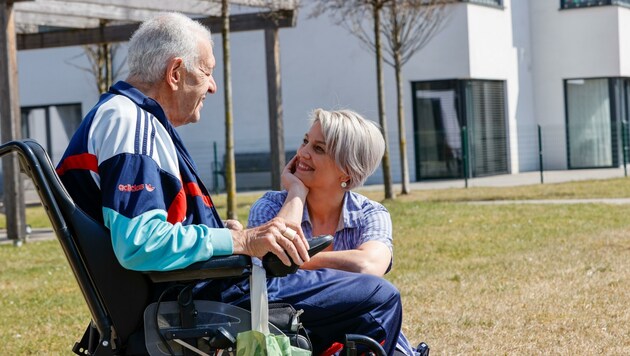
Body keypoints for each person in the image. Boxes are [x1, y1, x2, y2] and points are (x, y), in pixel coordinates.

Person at [56, 12, 405, 355]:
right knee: (379, 297)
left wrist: (220, 236)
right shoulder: (134, 125)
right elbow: (139, 243)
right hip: (202, 292)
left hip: (193, 284)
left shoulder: (125, 119)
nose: (212, 86)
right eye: (207, 72)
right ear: (175, 73)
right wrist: (241, 240)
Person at [248, 109, 425, 356]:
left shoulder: (370, 213)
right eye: (305, 141)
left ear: (347, 171)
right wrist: (296, 193)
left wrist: (296, 260)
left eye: (318, 149)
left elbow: (368, 267)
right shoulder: (271, 207)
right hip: (292, 327)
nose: (302, 153)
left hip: (357, 328)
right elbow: (264, 273)